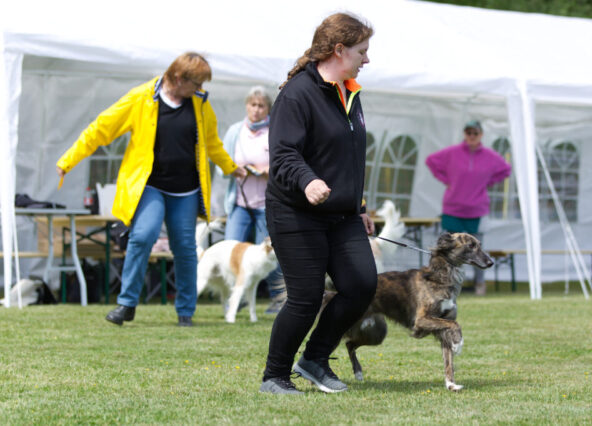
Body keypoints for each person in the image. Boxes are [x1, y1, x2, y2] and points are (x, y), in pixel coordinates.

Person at [56, 52, 246, 327]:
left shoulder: (200, 104)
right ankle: (127, 304)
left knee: (184, 248)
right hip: (150, 186)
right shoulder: (141, 97)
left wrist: (231, 167)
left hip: (185, 191)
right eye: (196, 83)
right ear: (178, 78)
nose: (200, 88)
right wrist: (68, 161)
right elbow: (101, 128)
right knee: (143, 236)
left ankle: (185, 311)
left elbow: (212, 144)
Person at [259, 12, 377, 395]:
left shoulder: (350, 92)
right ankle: (275, 376)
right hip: (295, 212)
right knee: (306, 298)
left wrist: (360, 206)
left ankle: (314, 360)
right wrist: (308, 181)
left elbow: (348, 159)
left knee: (361, 284)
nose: (367, 59)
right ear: (339, 50)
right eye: (362, 51)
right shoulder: (297, 94)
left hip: (342, 214)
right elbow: (283, 154)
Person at [425, 120, 511, 295]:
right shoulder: (452, 152)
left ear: (481, 135)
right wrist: (445, 179)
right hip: (452, 209)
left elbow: (506, 170)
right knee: (446, 249)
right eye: (469, 133)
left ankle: (479, 284)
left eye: (475, 133)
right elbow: (430, 161)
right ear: (465, 134)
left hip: (476, 210)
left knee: (478, 249)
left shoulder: (490, 156)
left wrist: (489, 182)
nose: (472, 136)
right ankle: (441, 283)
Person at [221, 86, 286, 314]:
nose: (256, 110)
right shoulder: (235, 131)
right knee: (231, 249)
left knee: (270, 252)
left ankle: (278, 299)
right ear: (246, 106)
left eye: (261, 106)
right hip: (239, 203)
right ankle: (235, 297)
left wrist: (270, 172)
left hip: (267, 204)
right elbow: (221, 165)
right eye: (252, 105)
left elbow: (285, 165)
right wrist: (234, 169)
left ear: (268, 108)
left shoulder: (275, 131)